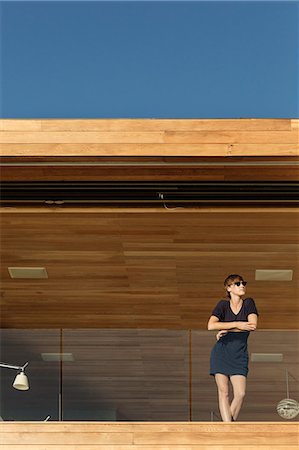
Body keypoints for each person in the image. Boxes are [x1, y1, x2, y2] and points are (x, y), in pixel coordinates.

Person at [207, 274, 259, 422]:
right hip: (221, 353)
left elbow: (251, 325)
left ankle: (227, 427)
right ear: (228, 288)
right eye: (237, 284)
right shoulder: (222, 305)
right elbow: (211, 325)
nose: (242, 285)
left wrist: (227, 328)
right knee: (223, 392)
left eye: (243, 283)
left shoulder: (248, 303)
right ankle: (228, 429)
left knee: (240, 393)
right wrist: (237, 324)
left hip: (239, 354)